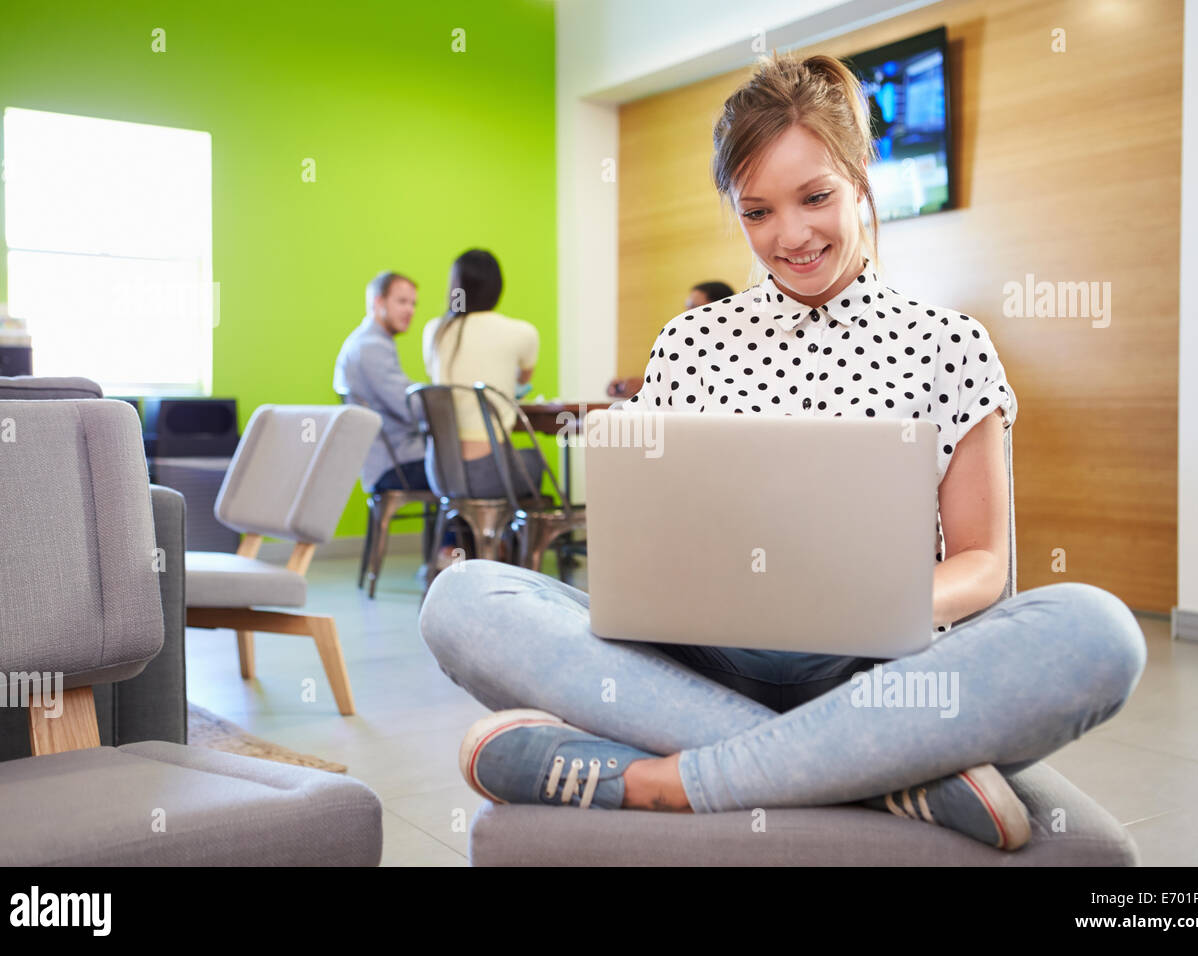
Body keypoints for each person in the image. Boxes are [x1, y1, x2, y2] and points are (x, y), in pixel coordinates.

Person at [417, 52, 1146, 851]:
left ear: (861, 179)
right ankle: (876, 778)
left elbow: (983, 565)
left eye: (816, 198)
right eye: (757, 212)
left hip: (877, 673)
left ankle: (670, 778)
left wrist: (881, 604)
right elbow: (646, 542)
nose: (791, 236)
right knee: (462, 598)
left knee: (1098, 630)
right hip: (700, 663)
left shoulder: (950, 344)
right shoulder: (692, 341)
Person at [422, 249, 546, 500]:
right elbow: (524, 379)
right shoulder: (521, 333)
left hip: (440, 471)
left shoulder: (435, 332)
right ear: (497, 287)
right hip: (491, 470)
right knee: (534, 460)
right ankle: (504, 538)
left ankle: (465, 535)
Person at [334, 270, 430, 493]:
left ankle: (450, 529)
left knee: (460, 468)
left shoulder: (371, 342)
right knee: (463, 472)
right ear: (379, 302)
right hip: (393, 464)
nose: (410, 310)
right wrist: (444, 399)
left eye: (413, 304)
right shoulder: (371, 347)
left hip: (392, 458)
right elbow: (410, 408)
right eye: (402, 302)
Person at [607, 280, 736, 398]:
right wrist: (633, 388)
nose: (685, 316)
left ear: (720, 311)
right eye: (686, 309)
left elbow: (707, 394)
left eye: (694, 309)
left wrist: (646, 388)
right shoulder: (685, 346)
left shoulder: (734, 350)